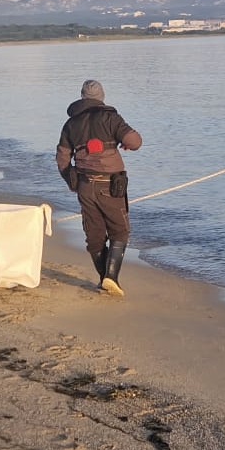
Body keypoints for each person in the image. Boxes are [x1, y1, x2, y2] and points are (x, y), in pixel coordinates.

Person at [55, 79, 142, 296]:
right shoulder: (110, 117)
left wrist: (72, 182)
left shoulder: (71, 124)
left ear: (82, 96)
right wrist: (125, 143)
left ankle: (103, 280)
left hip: (85, 185)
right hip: (110, 184)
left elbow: (62, 157)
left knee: (94, 235)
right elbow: (135, 141)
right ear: (102, 96)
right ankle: (110, 278)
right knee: (120, 230)